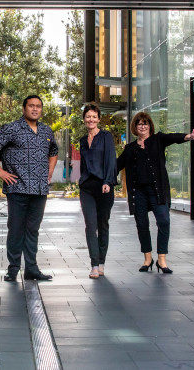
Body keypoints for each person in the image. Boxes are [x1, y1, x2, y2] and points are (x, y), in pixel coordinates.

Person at [0, 95, 59, 282]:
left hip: (39, 190)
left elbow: (54, 151)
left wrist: (50, 171)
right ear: (24, 109)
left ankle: (31, 269)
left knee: (33, 230)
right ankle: (13, 269)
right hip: (17, 188)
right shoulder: (12, 128)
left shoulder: (46, 130)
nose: (35, 109)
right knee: (16, 229)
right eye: (31, 106)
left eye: (38, 106)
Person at [117, 112, 194, 274]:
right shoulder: (130, 148)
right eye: (139, 124)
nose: (142, 126)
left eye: (145, 123)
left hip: (157, 190)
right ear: (135, 127)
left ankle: (162, 259)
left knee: (164, 221)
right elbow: (117, 165)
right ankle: (147, 258)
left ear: (150, 125)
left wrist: (189, 136)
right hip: (139, 192)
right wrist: (103, 178)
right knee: (142, 225)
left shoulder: (158, 139)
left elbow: (174, 137)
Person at [79, 103, 117, 279]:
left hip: (104, 187)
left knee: (103, 225)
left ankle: (101, 263)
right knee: (90, 225)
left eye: (94, 117)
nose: (91, 119)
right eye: (88, 116)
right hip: (87, 188)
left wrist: (108, 181)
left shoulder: (106, 137)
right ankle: (94, 264)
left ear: (99, 119)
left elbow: (110, 160)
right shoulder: (82, 140)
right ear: (84, 119)